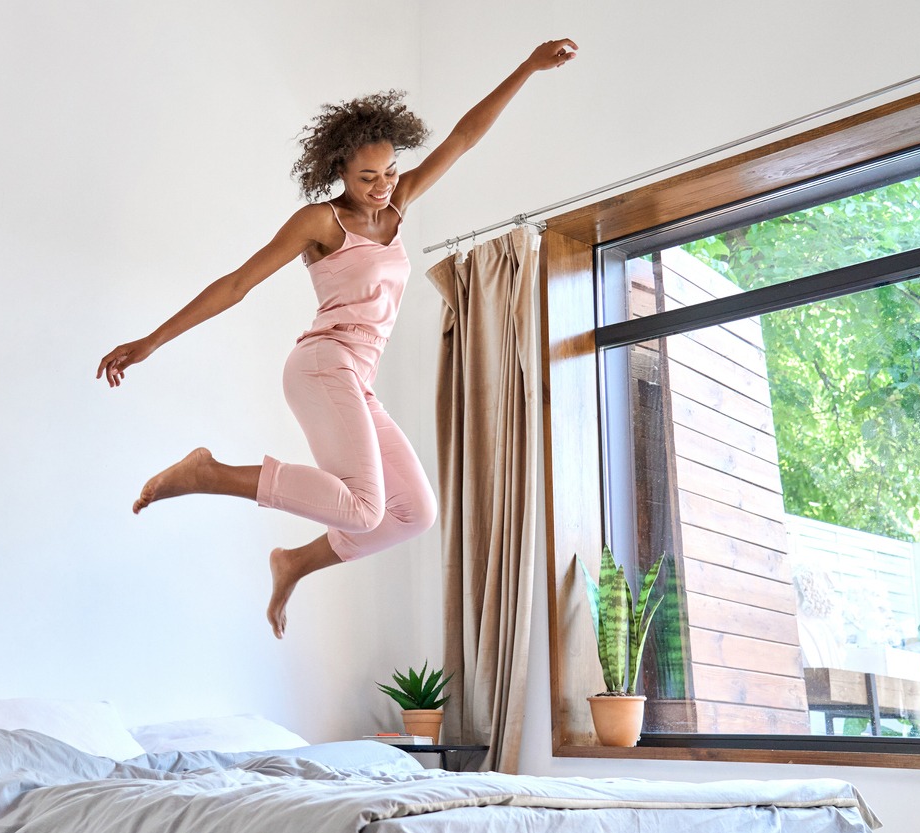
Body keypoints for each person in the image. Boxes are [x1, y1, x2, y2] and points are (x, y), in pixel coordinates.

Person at [97, 39, 578, 638]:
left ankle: (295, 562)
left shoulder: (397, 206)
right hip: (323, 365)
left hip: (358, 378)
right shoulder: (320, 223)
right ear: (340, 173)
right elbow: (236, 284)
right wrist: (150, 342)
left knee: (414, 513)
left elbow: (463, 136)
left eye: (390, 171)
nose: (382, 186)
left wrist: (528, 67)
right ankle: (208, 473)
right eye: (367, 176)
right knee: (365, 506)